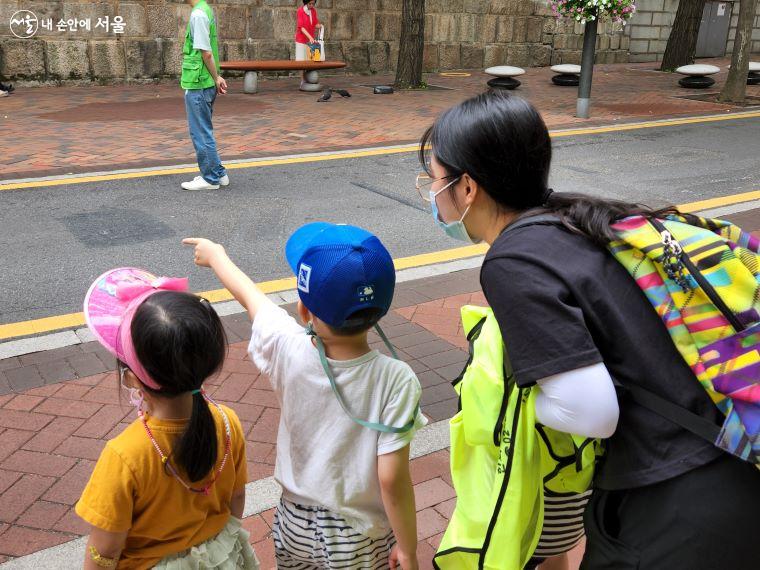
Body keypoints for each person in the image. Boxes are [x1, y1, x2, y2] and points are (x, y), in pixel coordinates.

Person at [417, 91, 759, 569]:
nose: (432, 196)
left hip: (673, 504)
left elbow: (593, 413)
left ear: (468, 187)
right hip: (729, 460)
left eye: (433, 181)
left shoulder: (512, 260)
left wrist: (509, 397)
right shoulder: (575, 219)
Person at [184, 222, 427, 569]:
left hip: (293, 519)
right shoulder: (397, 379)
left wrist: (216, 255)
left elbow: (251, 297)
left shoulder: (287, 346)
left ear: (304, 310)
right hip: (357, 533)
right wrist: (408, 548)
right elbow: (391, 478)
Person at [76, 268, 257, 569]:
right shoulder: (227, 422)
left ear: (132, 378)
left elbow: (104, 551)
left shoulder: (125, 456)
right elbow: (236, 500)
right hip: (221, 558)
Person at [180, 0, 229, 191]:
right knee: (205, 129)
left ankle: (209, 179)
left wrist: (216, 77)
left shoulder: (198, 14)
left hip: (198, 81)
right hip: (204, 80)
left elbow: (206, 53)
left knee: (200, 132)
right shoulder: (205, 10)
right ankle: (218, 173)